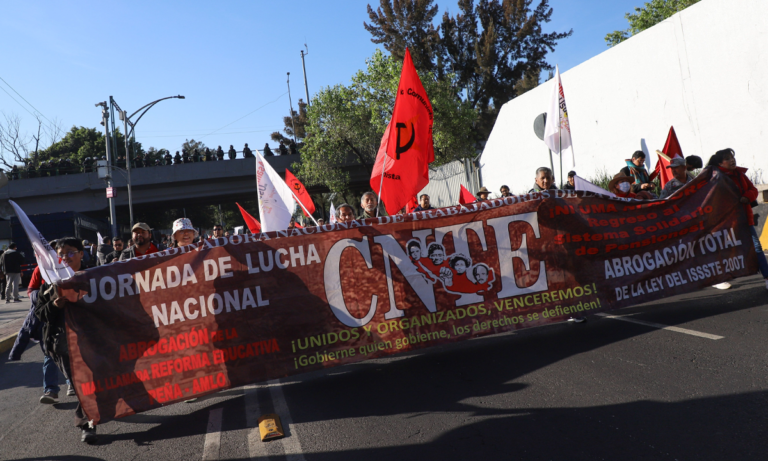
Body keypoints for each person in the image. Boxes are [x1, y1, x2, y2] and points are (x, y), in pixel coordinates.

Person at [35, 238, 97, 443]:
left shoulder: (95, 277)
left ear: (81, 253)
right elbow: (39, 314)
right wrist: (53, 306)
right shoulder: (49, 284)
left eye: (70, 252)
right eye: (60, 254)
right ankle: (90, 417)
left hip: (92, 342)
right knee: (81, 386)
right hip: (62, 346)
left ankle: (87, 424)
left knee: (88, 383)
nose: (65, 257)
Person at [707, 148, 768, 290]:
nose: (732, 160)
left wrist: (747, 196)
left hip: (745, 219)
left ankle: (767, 277)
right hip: (725, 222)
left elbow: (753, 190)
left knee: (757, 248)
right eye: (727, 158)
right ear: (720, 163)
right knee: (723, 250)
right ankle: (718, 279)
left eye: (732, 157)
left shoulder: (741, 175)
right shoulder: (715, 178)